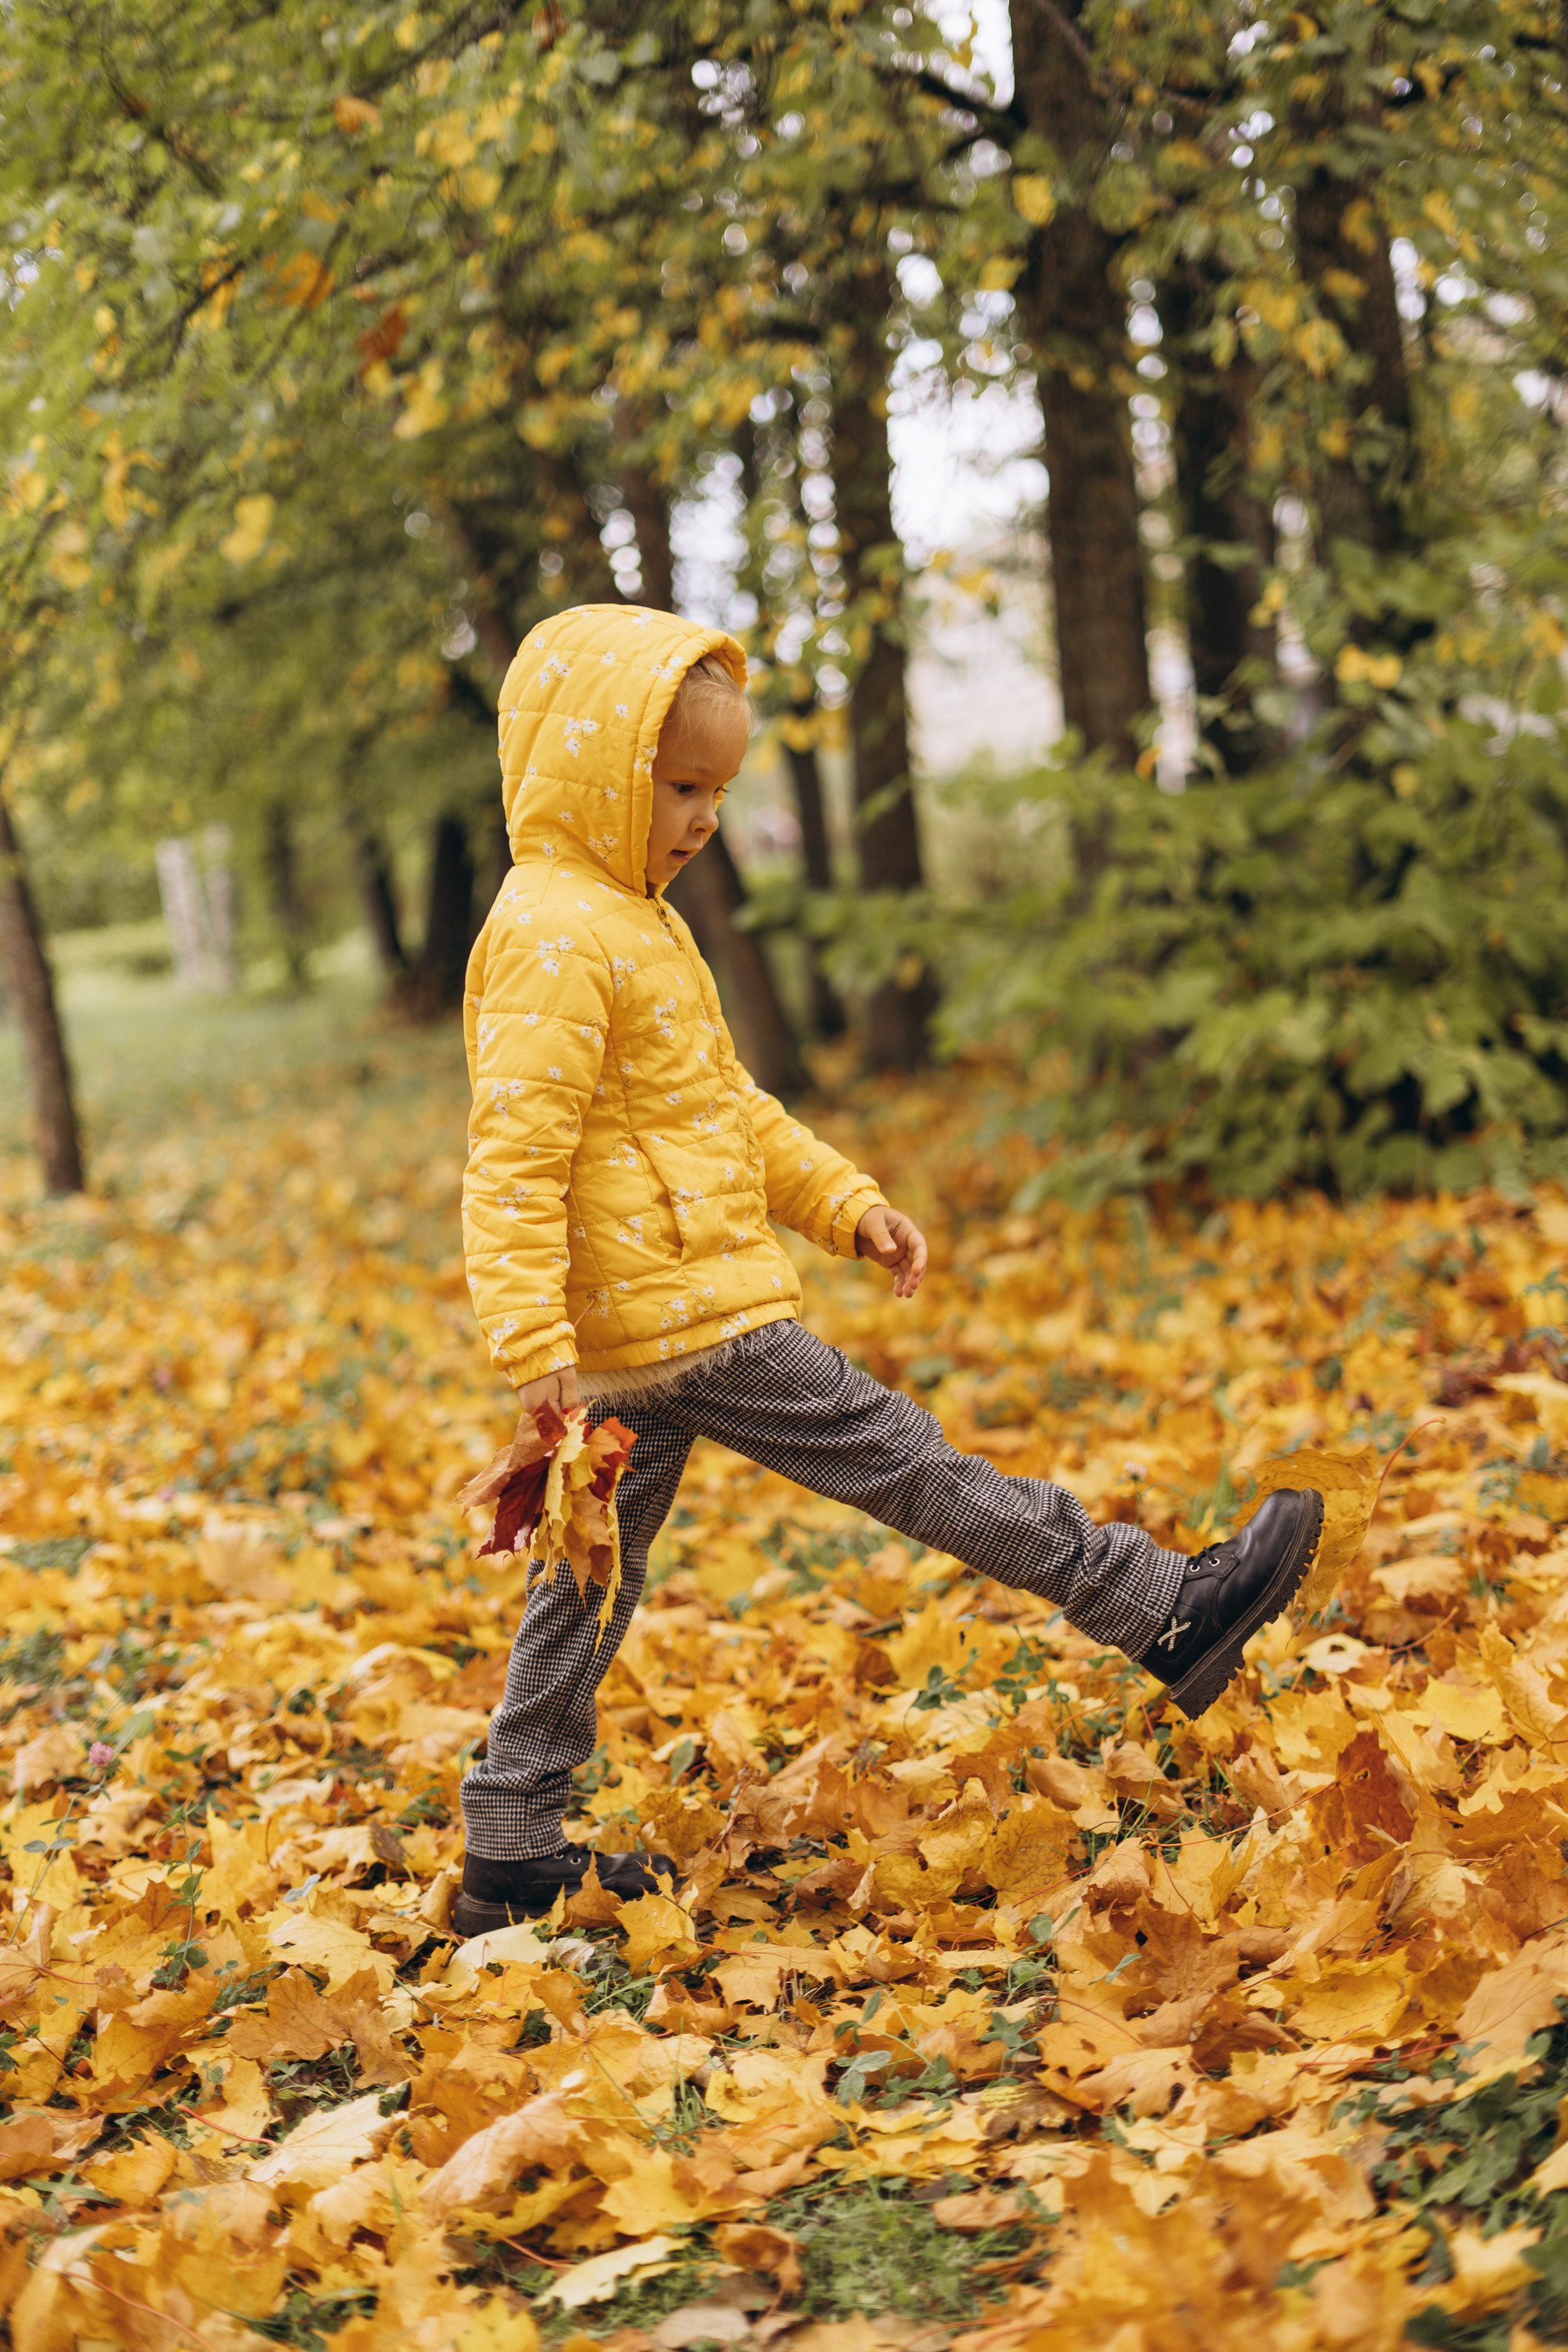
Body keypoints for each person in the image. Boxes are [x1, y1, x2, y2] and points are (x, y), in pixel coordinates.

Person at [452, 604, 1321, 1936]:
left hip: (670, 1313)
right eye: (677, 787)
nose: (701, 820)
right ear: (590, 769)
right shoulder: (554, 935)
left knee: (587, 1575)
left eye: (717, 793)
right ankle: (1164, 1609)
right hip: (684, 1322)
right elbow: (513, 1160)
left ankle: (513, 1840)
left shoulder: (634, 923)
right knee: (910, 1461)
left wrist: (844, 1205)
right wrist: (533, 1351)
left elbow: (727, 1110)